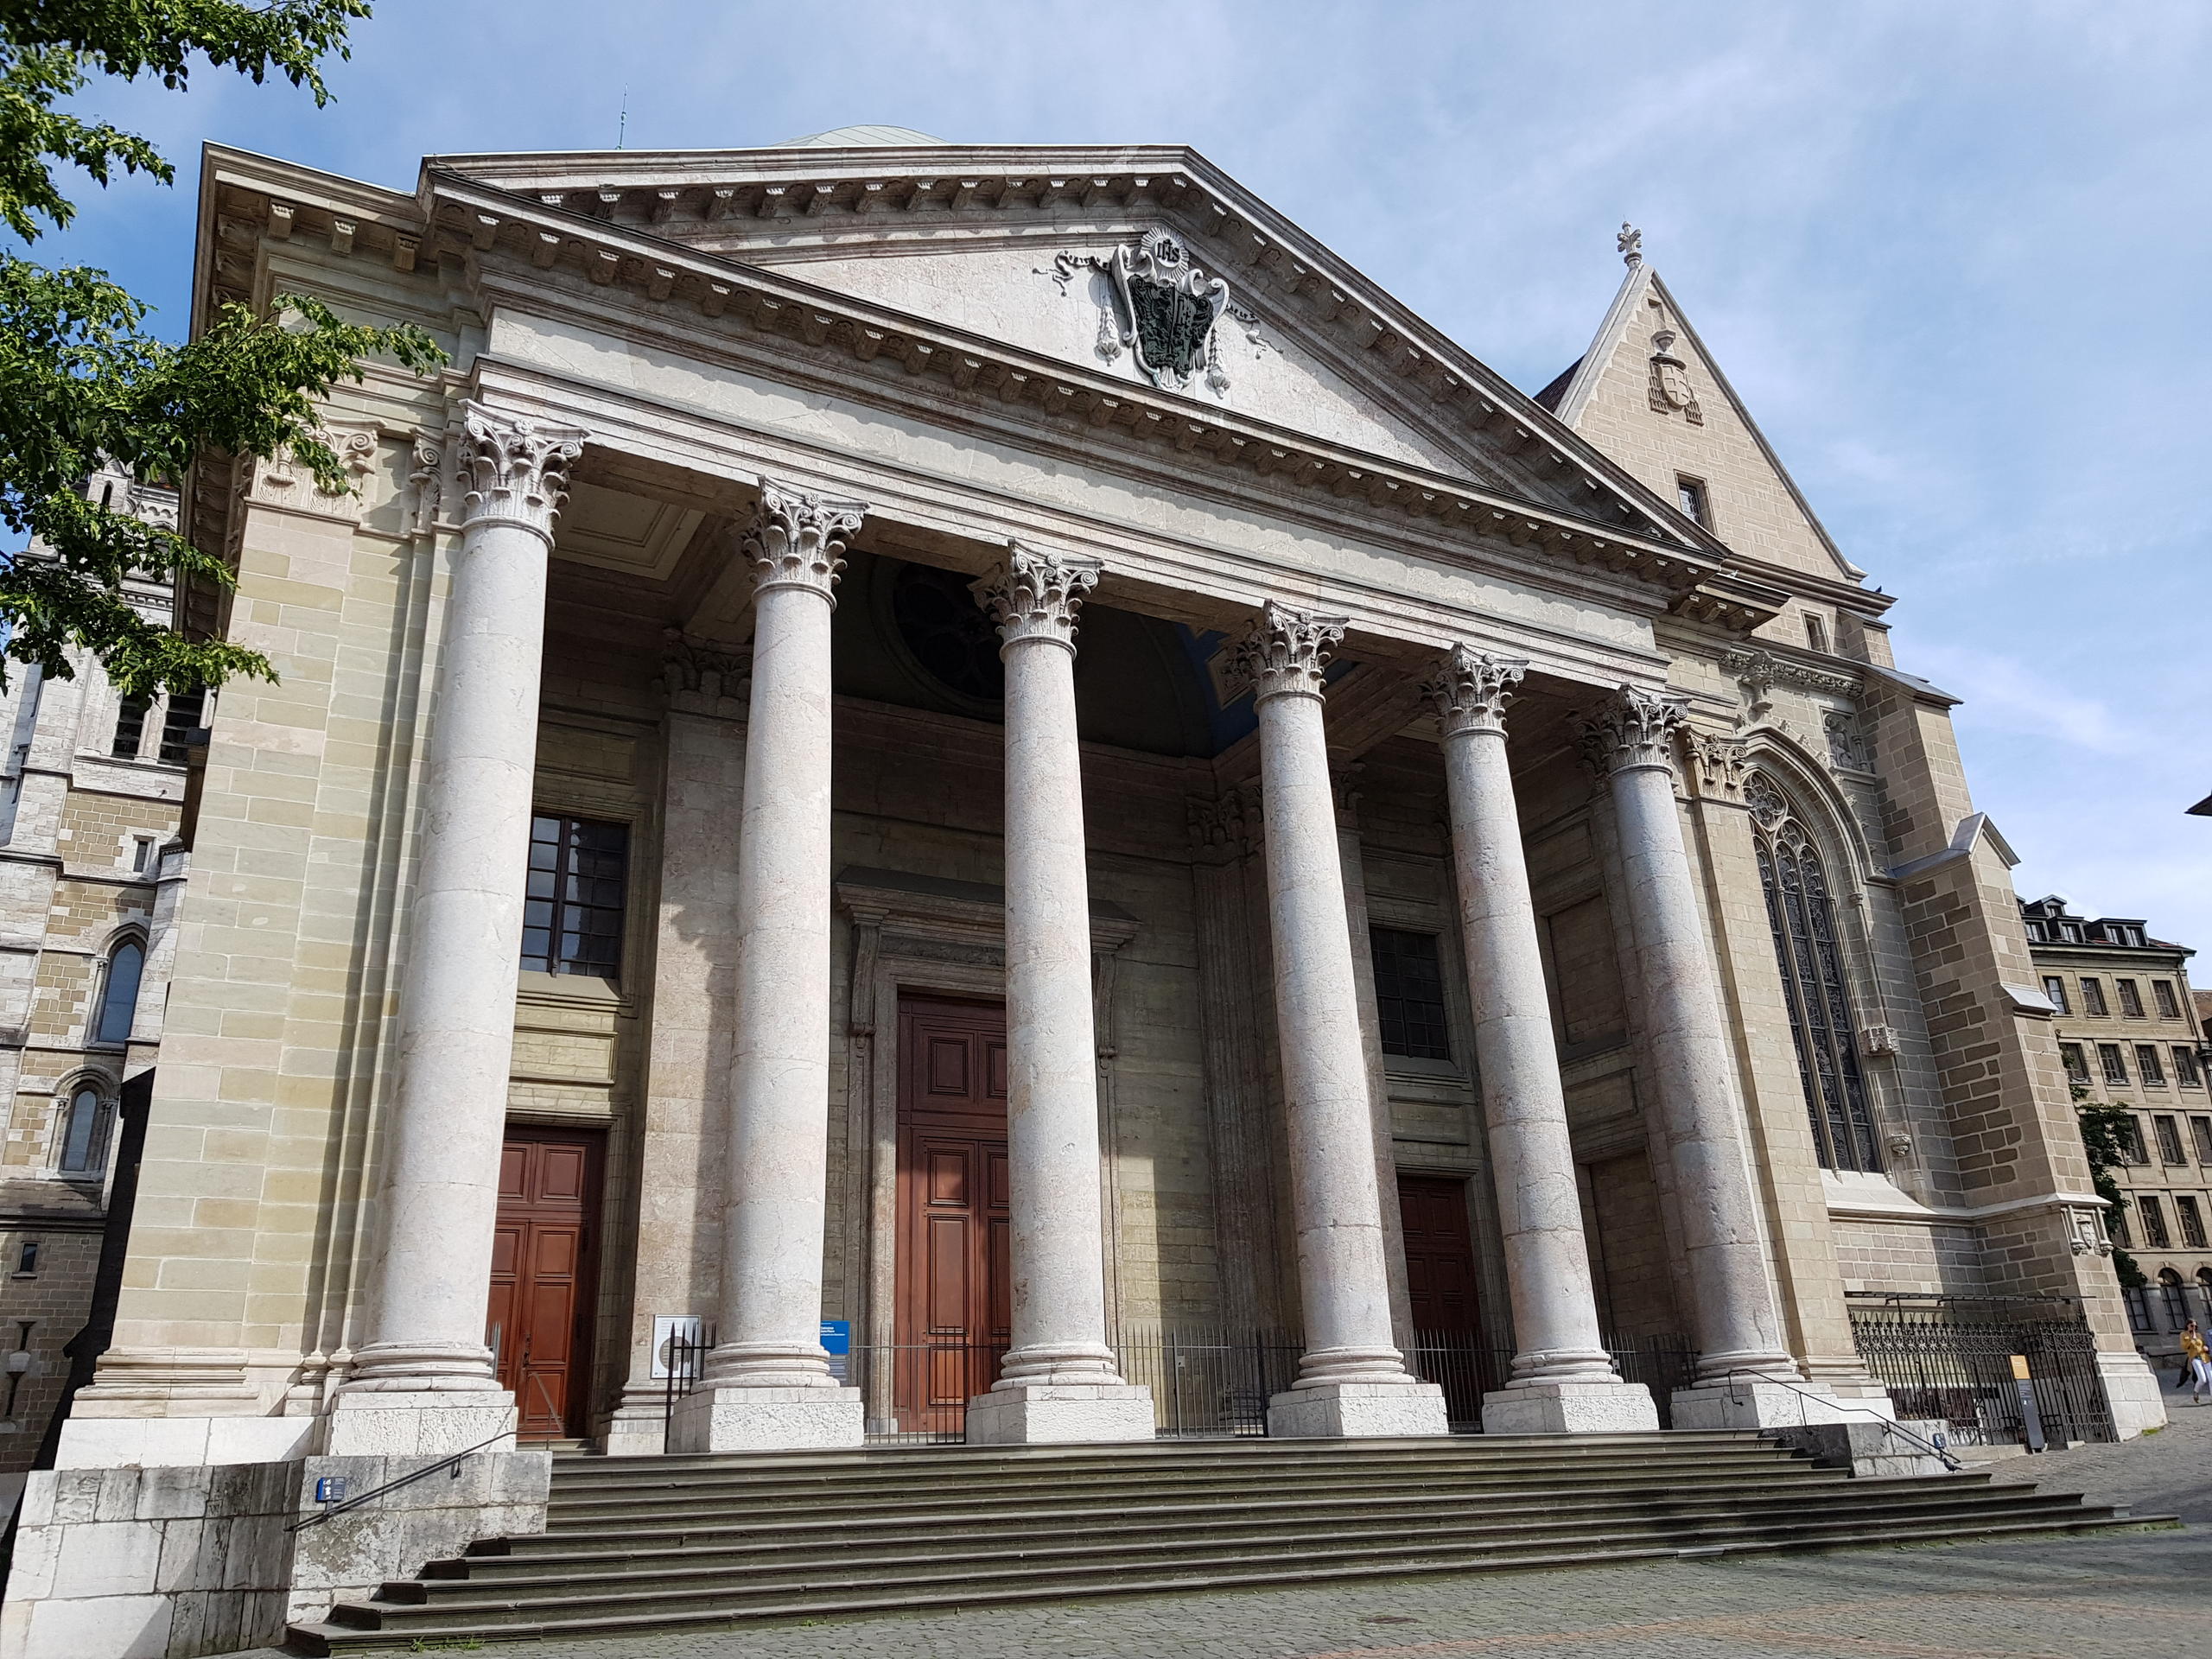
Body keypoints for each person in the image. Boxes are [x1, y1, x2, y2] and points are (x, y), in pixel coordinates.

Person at [2182, 1320, 2211, 1405]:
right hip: (2195, 1358)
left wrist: (2206, 1347)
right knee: (2202, 1379)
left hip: (2205, 1357)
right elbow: (2184, 1346)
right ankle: (2196, 1391)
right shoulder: (2184, 1335)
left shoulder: (2199, 1335)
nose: (2194, 1327)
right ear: (2187, 1325)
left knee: (2211, 1378)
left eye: (2195, 1326)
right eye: (2192, 1325)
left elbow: (2203, 1344)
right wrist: (2192, 1339)